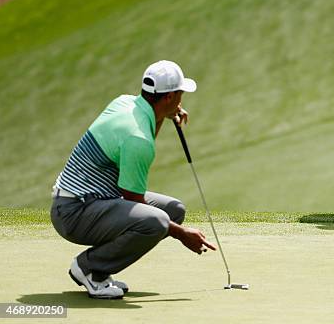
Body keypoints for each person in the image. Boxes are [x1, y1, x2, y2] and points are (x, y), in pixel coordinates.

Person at [50, 60, 216, 299]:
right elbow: (133, 198)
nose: (182, 100)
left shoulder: (125, 102)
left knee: (173, 210)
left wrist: (165, 115)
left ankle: (101, 269)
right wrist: (181, 234)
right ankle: (90, 268)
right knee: (157, 221)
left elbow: (145, 132)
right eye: (180, 94)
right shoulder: (138, 139)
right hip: (74, 212)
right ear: (169, 97)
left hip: (92, 201)